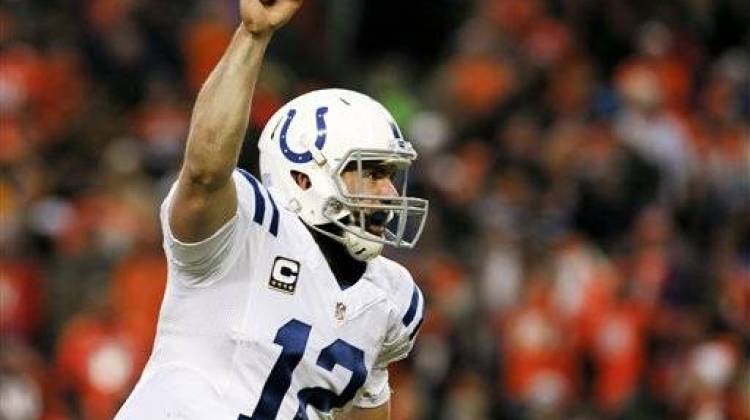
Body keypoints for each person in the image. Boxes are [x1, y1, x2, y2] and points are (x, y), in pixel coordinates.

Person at [115, 0, 429, 419]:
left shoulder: (390, 297)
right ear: (303, 177)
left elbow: (369, 403)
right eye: (370, 173)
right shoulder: (245, 228)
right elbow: (204, 172)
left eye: (391, 174)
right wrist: (252, 36)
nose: (389, 193)